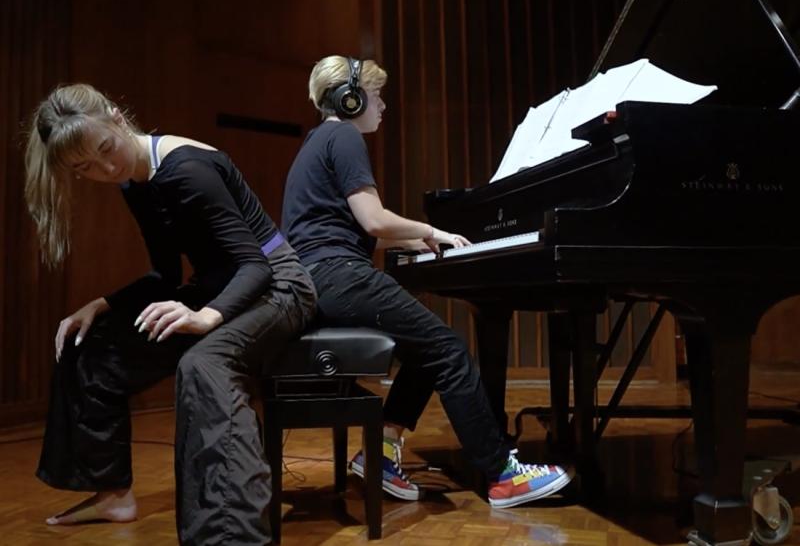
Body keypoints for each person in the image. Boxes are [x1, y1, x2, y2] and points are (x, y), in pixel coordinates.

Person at [24, 83, 316, 545]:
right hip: (222, 286)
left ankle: (233, 537)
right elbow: (164, 274)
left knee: (203, 364)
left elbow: (256, 265)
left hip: (280, 286)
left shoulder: (187, 170)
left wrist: (208, 317)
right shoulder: (133, 181)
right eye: (85, 168)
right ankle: (113, 494)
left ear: (117, 117)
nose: (106, 167)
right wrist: (101, 305)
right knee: (90, 346)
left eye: (105, 149)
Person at [281, 56, 572, 508]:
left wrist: (410, 243)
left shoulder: (316, 142)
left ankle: (381, 448)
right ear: (350, 99)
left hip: (319, 276)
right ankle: (501, 475)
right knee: (450, 351)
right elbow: (373, 220)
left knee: (424, 351)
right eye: (376, 96)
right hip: (337, 275)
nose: (382, 106)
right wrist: (428, 231)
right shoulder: (343, 136)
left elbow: (337, 230)